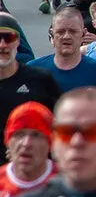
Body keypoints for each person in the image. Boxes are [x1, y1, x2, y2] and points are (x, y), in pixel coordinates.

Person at [0, 13, 61, 158]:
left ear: (18, 42)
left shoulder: (39, 79)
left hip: (32, 169)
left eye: (8, 38)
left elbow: (61, 125)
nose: (2, 45)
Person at [0, 102, 58, 197]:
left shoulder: (66, 183)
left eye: (37, 135)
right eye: (19, 134)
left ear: (50, 142)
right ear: (7, 141)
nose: (26, 143)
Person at [29, 7, 96, 96]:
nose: (66, 36)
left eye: (73, 31)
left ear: (83, 34)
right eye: (60, 32)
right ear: (52, 34)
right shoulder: (33, 70)